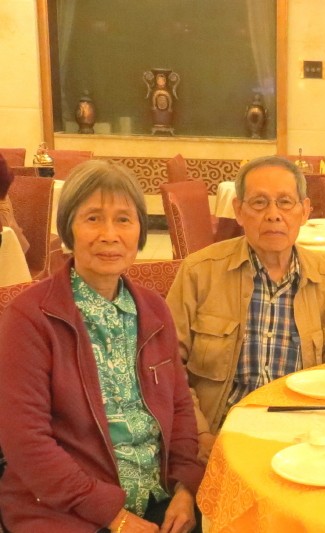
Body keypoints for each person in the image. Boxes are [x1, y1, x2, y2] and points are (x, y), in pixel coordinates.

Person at [0, 160, 204, 532]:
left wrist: (185, 488)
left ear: (140, 231)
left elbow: (179, 408)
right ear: (68, 229)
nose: (109, 235)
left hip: (159, 500)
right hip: (63, 512)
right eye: (93, 218)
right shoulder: (29, 318)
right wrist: (114, 516)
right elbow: (25, 441)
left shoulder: (154, 309)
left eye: (123, 220)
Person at [166, 155, 325, 463]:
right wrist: (200, 434)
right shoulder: (199, 273)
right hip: (219, 434)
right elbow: (168, 366)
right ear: (238, 211)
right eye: (259, 203)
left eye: (285, 202)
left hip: (302, 440)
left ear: (305, 211)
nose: (273, 215)